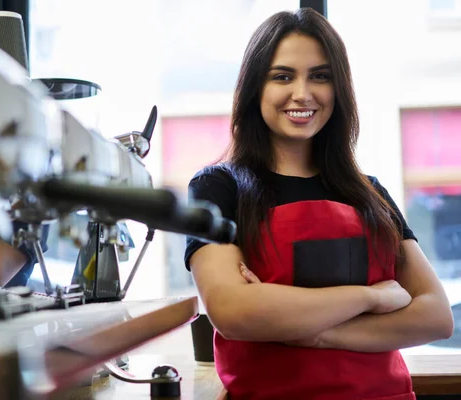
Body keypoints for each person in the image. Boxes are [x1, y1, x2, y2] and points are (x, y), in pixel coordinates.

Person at [185, 8, 453, 400]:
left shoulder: (370, 193)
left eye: (320, 76)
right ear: (255, 87)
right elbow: (232, 311)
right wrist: (372, 298)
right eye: (282, 76)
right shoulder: (217, 187)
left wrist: (312, 331)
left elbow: (435, 316)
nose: (302, 93)